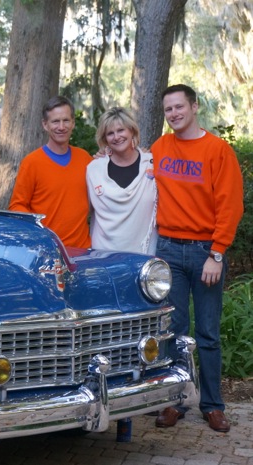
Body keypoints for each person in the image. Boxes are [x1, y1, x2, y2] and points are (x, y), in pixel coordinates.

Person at [152, 84, 243, 433]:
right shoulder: (160, 148)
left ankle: (212, 405)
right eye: (168, 110)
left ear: (194, 107)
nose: (173, 114)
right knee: (174, 331)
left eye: (179, 107)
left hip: (206, 251)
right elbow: (132, 167)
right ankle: (175, 402)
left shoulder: (218, 151)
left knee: (207, 333)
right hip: (169, 250)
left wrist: (217, 253)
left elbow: (231, 206)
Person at [8, 96, 93, 248]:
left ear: (73, 123)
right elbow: (17, 206)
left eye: (66, 120)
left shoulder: (85, 159)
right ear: (45, 125)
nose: (61, 126)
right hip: (46, 250)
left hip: (82, 250)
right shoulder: (32, 163)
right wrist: (38, 234)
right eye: (55, 121)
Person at [87, 107, 158, 254]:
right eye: (110, 133)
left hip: (145, 258)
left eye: (121, 130)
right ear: (104, 138)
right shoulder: (94, 169)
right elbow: (84, 210)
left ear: (132, 130)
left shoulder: (152, 163)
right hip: (103, 257)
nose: (116, 136)